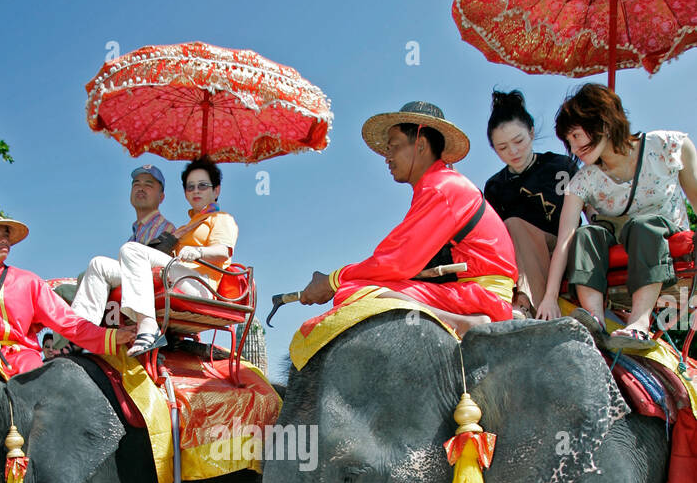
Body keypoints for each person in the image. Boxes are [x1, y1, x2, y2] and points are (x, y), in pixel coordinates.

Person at [298, 101, 518, 325]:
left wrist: (332, 281)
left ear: (421, 145)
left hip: (480, 296)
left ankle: (459, 322)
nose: (387, 157)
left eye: (393, 146)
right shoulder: (438, 184)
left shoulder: (440, 188)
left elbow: (395, 262)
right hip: (472, 292)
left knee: (353, 292)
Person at [535, 85, 697, 347]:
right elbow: (565, 239)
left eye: (577, 135)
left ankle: (639, 322)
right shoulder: (582, 182)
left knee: (643, 225)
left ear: (604, 123)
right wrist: (549, 296)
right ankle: (595, 318)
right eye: (569, 140)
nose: (574, 148)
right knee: (586, 233)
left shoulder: (668, 147)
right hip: (619, 248)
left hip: (665, 241)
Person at [0, 207, 124, 376]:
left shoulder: (29, 282)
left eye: (5, 234)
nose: (4, 240)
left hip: (18, 355)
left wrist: (112, 336)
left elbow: (69, 323)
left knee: (34, 371)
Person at [72, 156, 239, 356]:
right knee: (99, 264)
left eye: (203, 185)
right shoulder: (188, 225)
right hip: (175, 275)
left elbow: (223, 252)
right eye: (190, 186)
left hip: (198, 284)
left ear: (216, 190)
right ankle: (81, 332)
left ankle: (148, 327)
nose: (196, 191)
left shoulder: (221, 219)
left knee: (131, 249)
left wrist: (198, 252)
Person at [484, 89, 578, 315]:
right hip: (519, 255)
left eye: (519, 141)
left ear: (532, 133)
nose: (513, 152)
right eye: (503, 148)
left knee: (515, 225)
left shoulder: (560, 166)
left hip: (564, 245)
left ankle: (527, 304)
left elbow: (587, 212)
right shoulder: (495, 185)